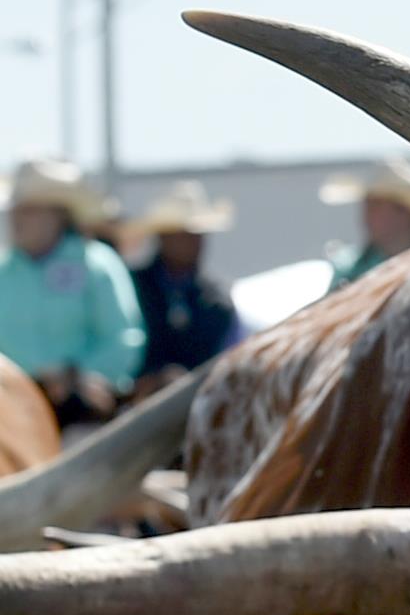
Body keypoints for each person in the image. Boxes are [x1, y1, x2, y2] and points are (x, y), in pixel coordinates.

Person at [0, 158, 145, 422]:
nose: (16, 217)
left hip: (81, 406)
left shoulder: (97, 265)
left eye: (29, 209)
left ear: (57, 215)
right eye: (16, 208)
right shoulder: (3, 271)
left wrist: (79, 377)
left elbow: (123, 337)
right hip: (9, 406)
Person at [124, 181, 240, 387]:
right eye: (185, 234)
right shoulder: (130, 287)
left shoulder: (218, 299)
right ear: (163, 236)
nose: (196, 242)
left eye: (199, 234)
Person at [319, 155, 410, 291]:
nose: (366, 215)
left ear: (405, 211)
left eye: (375, 206)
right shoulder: (347, 267)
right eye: (367, 206)